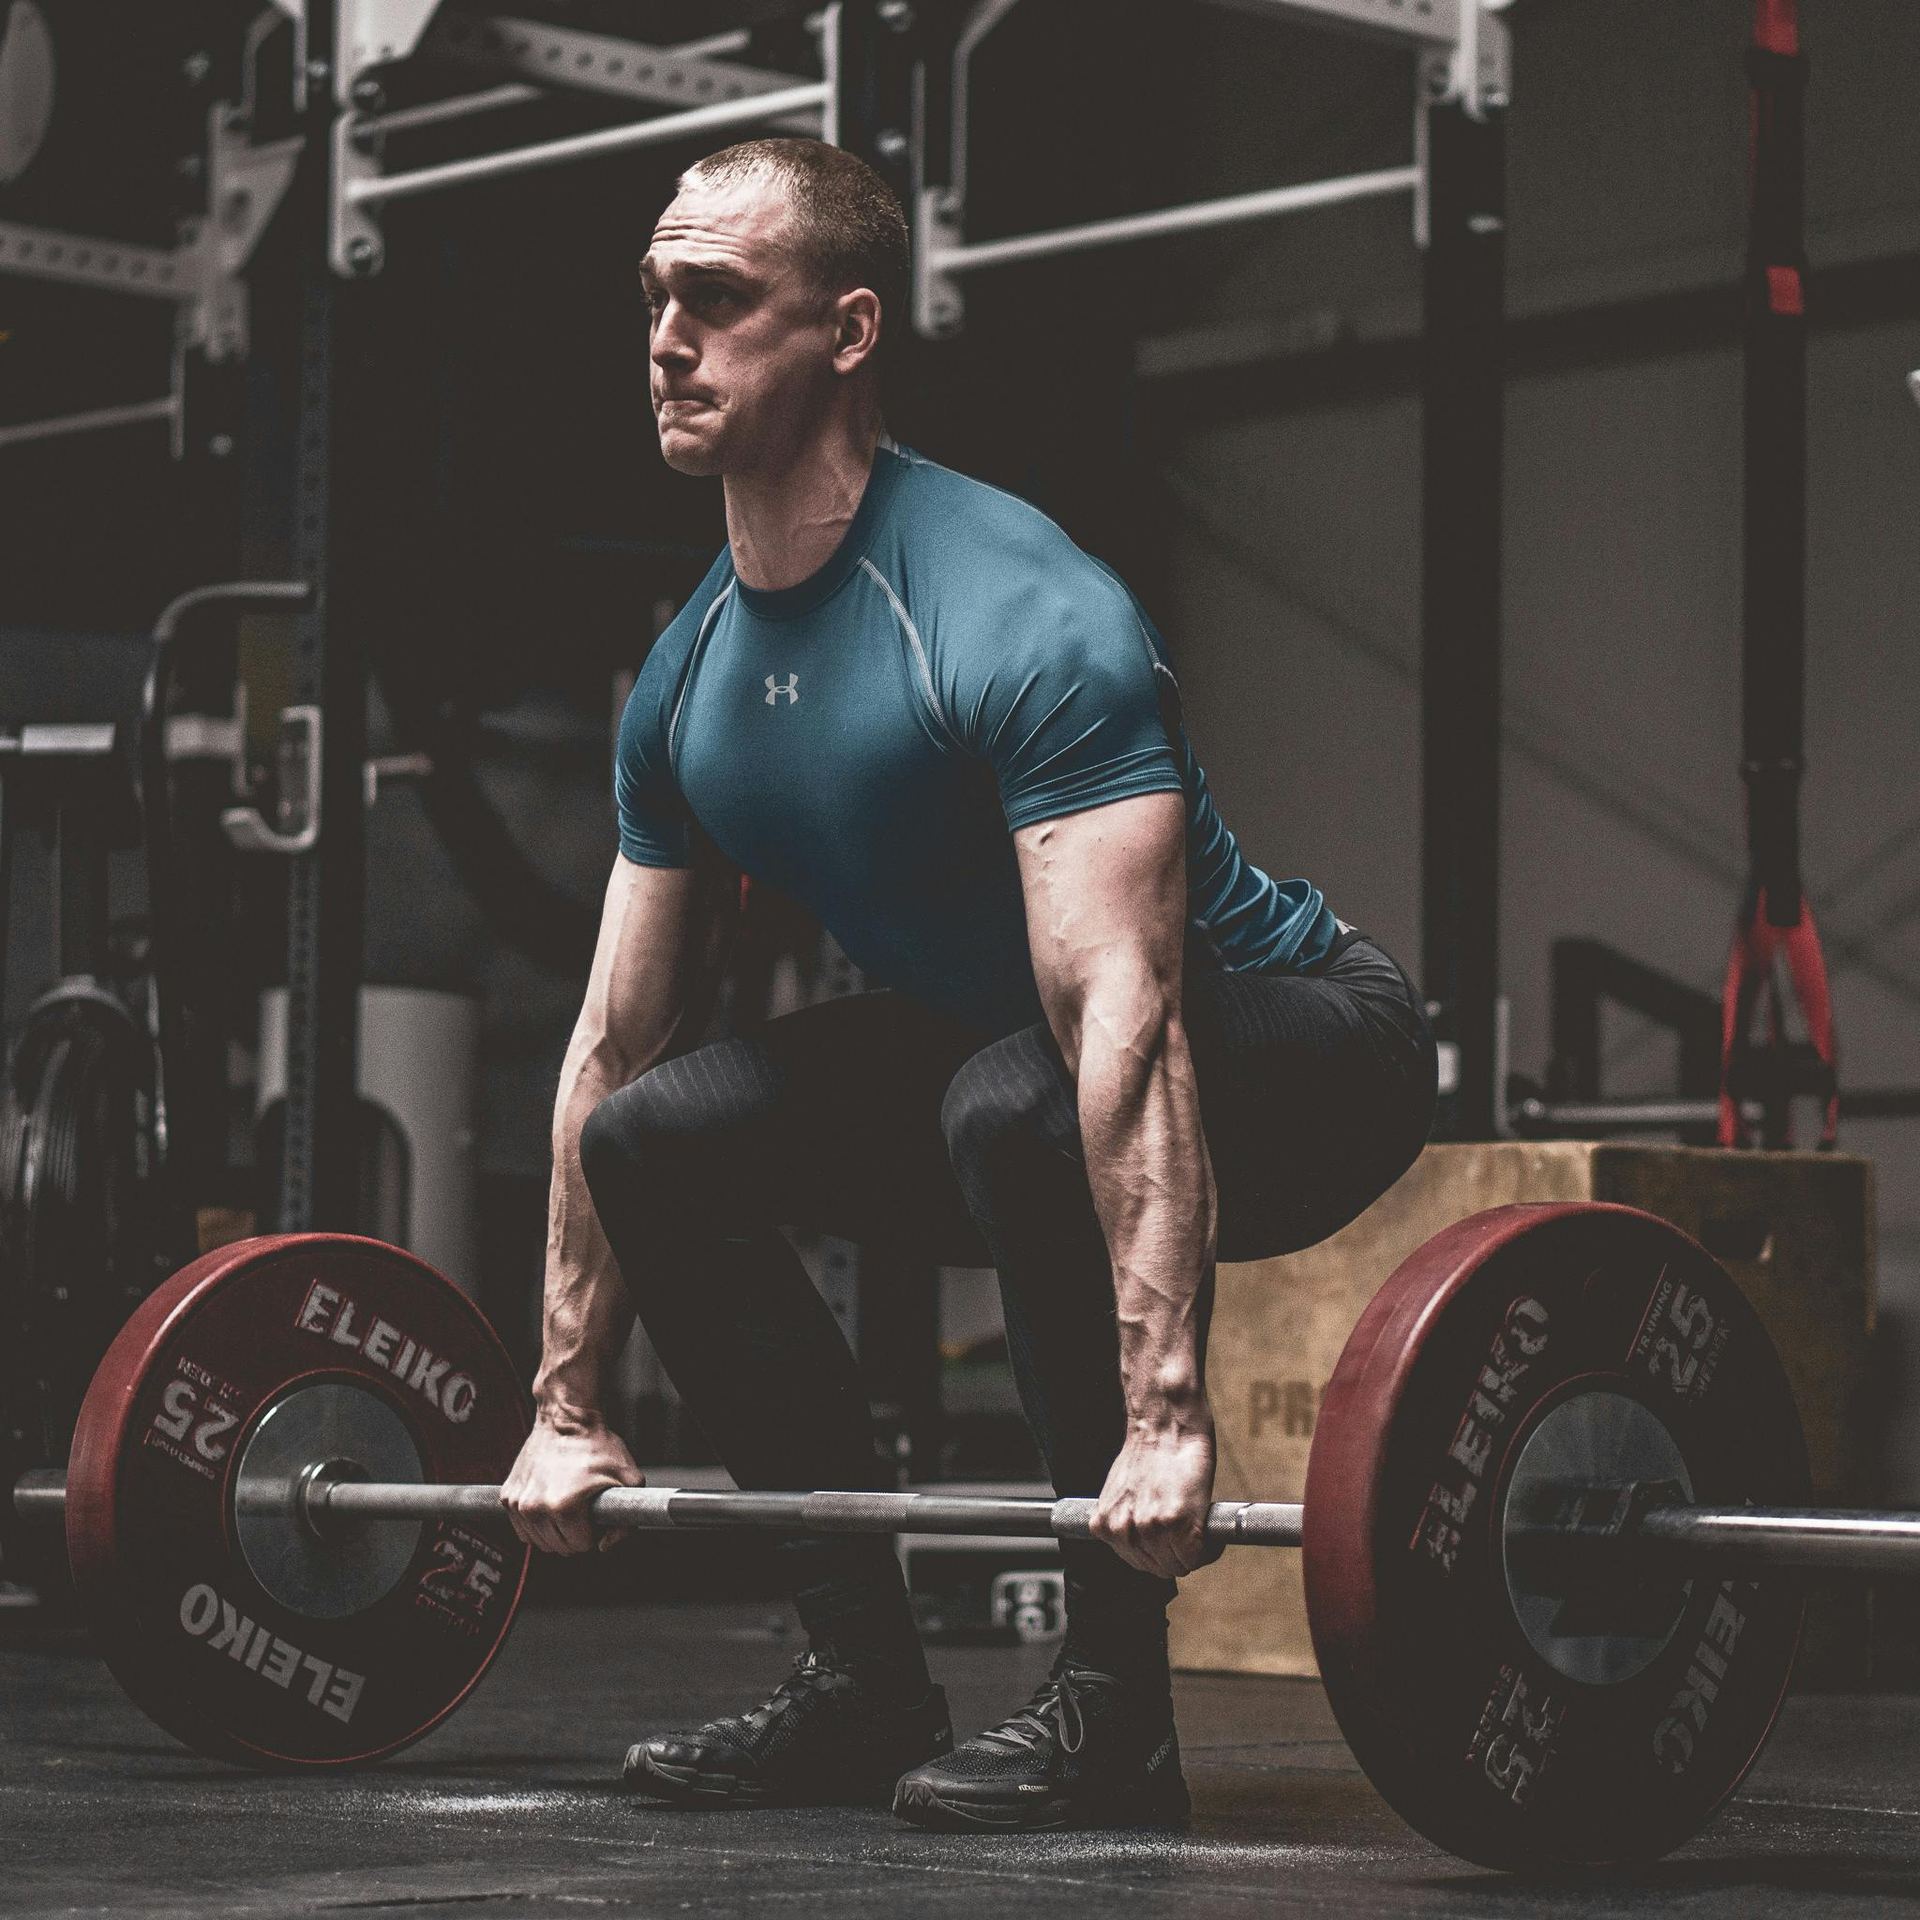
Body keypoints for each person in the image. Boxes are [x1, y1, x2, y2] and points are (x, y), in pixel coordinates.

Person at [501, 136, 1435, 1832]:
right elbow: (609, 1037)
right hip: (1010, 1058)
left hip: (1310, 1047)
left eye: (716, 300)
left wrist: (1168, 1423)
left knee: (1015, 1101)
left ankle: (1111, 1705)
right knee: (656, 1138)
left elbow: (1125, 1028)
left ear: (849, 332)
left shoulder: (1016, 609)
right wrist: (563, 1404)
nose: (664, 337)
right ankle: (862, 1680)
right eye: (654, 297)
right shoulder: (693, 674)